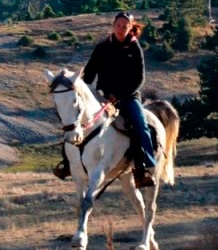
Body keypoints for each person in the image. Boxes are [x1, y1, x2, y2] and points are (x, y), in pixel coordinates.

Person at [53, 12, 157, 188]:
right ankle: (67, 164)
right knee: (74, 123)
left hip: (128, 97)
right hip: (102, 96)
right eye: (118, 25)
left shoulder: (134, 48)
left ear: (131, 28)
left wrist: (120, 94)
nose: (121, 29)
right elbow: (89, 74)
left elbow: (139, 78)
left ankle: (144, 166)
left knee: (140, 125)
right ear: (113, 25)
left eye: (125, 26)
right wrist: (83, 91)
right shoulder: (102, 48)